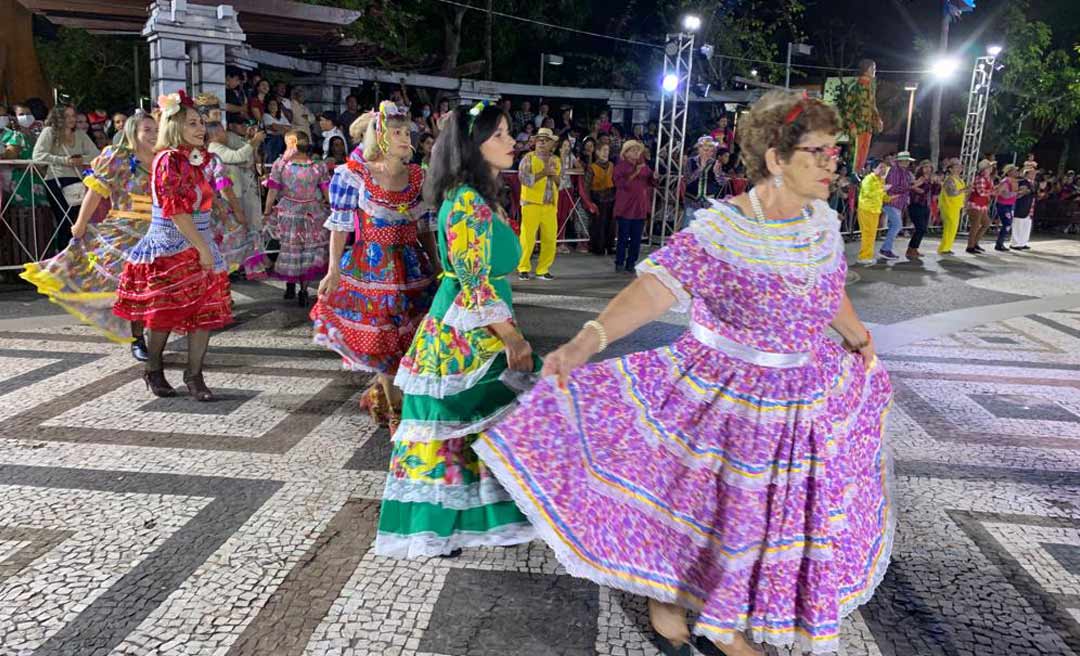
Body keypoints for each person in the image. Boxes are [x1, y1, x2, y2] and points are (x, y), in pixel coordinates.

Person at [477, 89, 892, 656]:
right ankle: (708, 618)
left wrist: (858, 336)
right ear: (776, 159)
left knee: (765, 514)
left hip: (797, 400)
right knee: (702, 508)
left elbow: (828, 289)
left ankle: (698, 605)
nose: (832, 163)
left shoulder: (820, 221)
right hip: (723, 399)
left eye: (834, 152)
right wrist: (584, 342)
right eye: (818, 151)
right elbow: (653, 289)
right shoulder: (722, 231)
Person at [374, 102, 540, 559]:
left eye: (510, 133)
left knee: (469, 430)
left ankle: (464, 523)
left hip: (476, 324)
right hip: (467, 331)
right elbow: (473, 280)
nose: (512, 142)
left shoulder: (479, 196)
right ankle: (444, 527)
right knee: (461, 427)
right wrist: (512, 338)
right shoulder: (467, 199)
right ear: (472, 145)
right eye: (500, 135)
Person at [310, 101, 438, 430]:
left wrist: (436, 265)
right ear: (379, 135)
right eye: (396, 132)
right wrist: (334, 269)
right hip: (373, 266)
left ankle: (387, 398)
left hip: (410, 264)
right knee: (383, 341)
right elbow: (340, 226)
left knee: (410, 339)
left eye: (407, 132)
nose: (403, 137)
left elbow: (424, 227)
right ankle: (395, 411)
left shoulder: (417, 175)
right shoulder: (355, 175)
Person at [113, 91, 233, 401]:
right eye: (192, 123)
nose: (200, 129)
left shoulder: (199, 157)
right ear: (175, 126)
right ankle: (154, 368)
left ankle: (194, 375)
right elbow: (175, 210)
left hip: (200, 239)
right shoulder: (167, 160)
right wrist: (202, 249)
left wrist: (212, 224)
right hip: (170, 246)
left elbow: (201, 199)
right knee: (163, 314)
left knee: (203, 312)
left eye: (201, 123)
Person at [21, 113, 157, 356]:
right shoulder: (118, 157)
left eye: (157, 129)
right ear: (132, 133)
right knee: (134, 289)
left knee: (157, 288)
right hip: (125, 233)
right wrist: (81, 223)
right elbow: (94, 193)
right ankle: (138, 339)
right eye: (147, 129)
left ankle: (155, 336)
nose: (154, 134)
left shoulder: (164, 159)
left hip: (159, 233)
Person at [264, 129, 331, 305]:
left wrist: (267, 210)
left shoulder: (281, 164)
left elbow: (272, 189)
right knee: (308, 250)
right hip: (312, 211)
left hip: (289, 210)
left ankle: (290, 285)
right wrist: (331, 206)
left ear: (291, 144)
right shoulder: (318, 166)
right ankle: (303, 290)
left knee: (290, 248)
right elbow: (326, 191)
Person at [33, 104, 101, 251]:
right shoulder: (49, 132)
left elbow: (96, 155)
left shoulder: (80, 134)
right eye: (67, 116)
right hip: (56, 180)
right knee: (64, 221)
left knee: (80, 220)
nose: (71, 119)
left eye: (73, 116)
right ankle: (64, 255)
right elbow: (38, 156)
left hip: (78, 180)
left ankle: (79, 255)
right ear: (58, 117)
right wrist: (65, 160)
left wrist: (81, 158)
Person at [516, 126, 561, 280]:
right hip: (531, 204)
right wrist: (544, 173)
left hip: (550, 205)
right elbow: (524, 179)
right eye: (540, 140)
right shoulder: (527, 158)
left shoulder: (556, 160)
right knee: (527, 239)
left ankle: (543, 269)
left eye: (546, 141)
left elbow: (561, 182)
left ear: (551, 144)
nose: (542, 143)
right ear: (535, 142)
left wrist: (553, 175)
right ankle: (523, 268)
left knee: (550, 239)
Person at [612, 139, 654, 273]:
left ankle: (631, 263)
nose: (637, 153)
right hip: (625, 208)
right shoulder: (620, 166)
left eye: (638, 150)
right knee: (623, 238)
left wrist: (655, 177)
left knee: (636, 239)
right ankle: (619, 262)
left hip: (640, 207)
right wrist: (635, 172)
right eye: (633, 150)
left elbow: (651, 182)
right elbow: (620, 184)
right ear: (626, 153)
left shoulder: (643, 165)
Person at [682, 136, 723, 230]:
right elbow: (687, 180)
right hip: (692, 201)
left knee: (705, 231)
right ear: (699, 149)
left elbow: (721, 183)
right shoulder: (690, 161)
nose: (708, 152)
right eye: (705, 150)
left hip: (707, 203)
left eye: (710, 150)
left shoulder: (715, 163)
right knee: (688, 228)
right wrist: (700, 168)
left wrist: (717, 173)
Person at [584, 142, 616, 256]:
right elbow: (586, 186)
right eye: (603, 150)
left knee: (611, 224)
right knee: (598, 224)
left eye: (607, 150)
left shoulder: (612, 165)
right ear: (597, 152)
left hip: (611, 197)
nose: (605, 153)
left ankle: (610, 245)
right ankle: (598, 247)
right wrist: (589, 202)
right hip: (597, 197)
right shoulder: (592, 167)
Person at [880, 151, 913, 260]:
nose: (908, 162)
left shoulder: (905, 172)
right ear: (901, 161)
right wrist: (909, 187)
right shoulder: (895, 171)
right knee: (897, 225)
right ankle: (885, 249)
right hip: (892, 202)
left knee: (894, 225)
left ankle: (886, 248)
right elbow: (892, 187)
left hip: (899, 203)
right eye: (907, 160)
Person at [851, 59, 883, 171]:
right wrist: (852, 125)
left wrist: (877, 119)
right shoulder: (860, 85)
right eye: (873, 68)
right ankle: (854, 172)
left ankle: (858, 170)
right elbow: (853, 105)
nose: (874, 71)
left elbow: (872, 105)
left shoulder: (870, 85)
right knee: (858, 150)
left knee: (863, 150)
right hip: (860, 123)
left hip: (866, 123)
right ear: (867, 69)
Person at [856, 160, 890, 264]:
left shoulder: (881, 180)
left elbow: (883, 196)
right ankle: (863, 256)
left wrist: (890, 197)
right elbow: (867, 193)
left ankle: (867, 255)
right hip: (866, 209)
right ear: (874, 169)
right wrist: (882, 190)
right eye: (881, 167)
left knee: (872, 234)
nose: (883, 170)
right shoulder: (868, 179)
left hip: (875, 210)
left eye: (884, 167)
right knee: (867, 234)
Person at [905, 159, 933, 260]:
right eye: (925, 167)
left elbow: (933, 191)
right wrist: (918, 187)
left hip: (925, 205)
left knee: (923, 229)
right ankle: (911, 249)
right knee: (920, 228)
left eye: (929, 167)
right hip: (916, 205)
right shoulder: (917, 178)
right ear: (921, 168)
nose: (928, 169)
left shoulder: (930, 179)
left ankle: (914, 248)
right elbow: (912, 189)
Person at [937, 159, 966, 255]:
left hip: (955, 206)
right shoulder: (950, 179)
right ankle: (944, 248)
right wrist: (964, 190)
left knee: (953, 228)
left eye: (960, 167)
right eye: (956, 167)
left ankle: (947, 247)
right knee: (949, 227)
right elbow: (951, 193)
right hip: (948, 206)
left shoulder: (959, 179)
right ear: (951, 169)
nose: (959, 169)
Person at [966, 160, 994, 254]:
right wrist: (992, 192)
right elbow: (981, 192)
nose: (991, 169)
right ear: (984, 169)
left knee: (986, 223)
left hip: (982, 204)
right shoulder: (980, 178)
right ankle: (970, 246)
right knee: (975, 225)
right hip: (975, 204)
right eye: (989, 167)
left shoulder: (988, 178)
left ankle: (974, 243)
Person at [994, 163, 1019, 252]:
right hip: (1003, 204)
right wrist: (1013, 193)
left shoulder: (1013, 181)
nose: (1017, 172)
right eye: (1014, 170)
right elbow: (999, 192)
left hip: (1009, 204)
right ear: (1009, 172)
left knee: (1008, 224)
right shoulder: (1006, 181)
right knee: (1007, 223)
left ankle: (1000, 243)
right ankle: (999, 243)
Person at [1010, 166, 1036, 251]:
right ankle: (1015, 243)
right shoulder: (1022, 182)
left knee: (1026, 225)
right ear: (1027, 174)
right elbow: (1019, 193)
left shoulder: (1033, 183)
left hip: (1029, 207)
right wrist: (1025, 191)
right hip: (1021, 206)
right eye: (1032, 173)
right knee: (1018, 225)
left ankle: (1023, 242)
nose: (1034, 175)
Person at [261, 97, 291, 163]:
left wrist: (279, 128)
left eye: (274, 104)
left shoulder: (281, 117)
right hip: (271, 139)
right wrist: (283, 129)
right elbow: (274, 127)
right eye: (270, 104)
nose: (272, 106)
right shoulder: (266, 115)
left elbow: (289, 127)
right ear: (267, 106)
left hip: (282, 138)